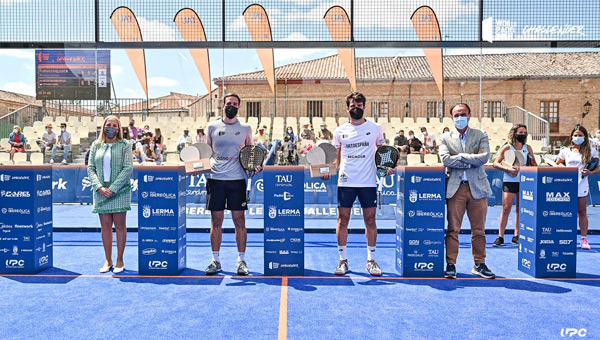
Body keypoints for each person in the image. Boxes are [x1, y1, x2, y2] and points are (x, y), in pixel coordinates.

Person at [322, 92, 392, 276]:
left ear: (364, 107)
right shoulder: (339, 131)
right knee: (342, 220)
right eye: (352, 105)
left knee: (370, 220)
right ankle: (342, 260)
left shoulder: (375, 128)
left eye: (359, 106)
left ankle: (371, 261)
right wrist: (326, 171)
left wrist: (386, 167)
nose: (356, 108)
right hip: (346, 182)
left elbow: (382, 153)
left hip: (368, 182)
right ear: (347, 108)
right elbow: (334, 159)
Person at [439, 103, 495, 279]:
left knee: (478, 230)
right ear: (451, 117)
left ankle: (479, 264)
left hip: (477, 188)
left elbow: (484, 157)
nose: (459, 117)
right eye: (456, 115)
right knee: (453, 229)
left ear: (470, 115)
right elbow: (446, 159)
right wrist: (472, 160)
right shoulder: (445, 137)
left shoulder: (480, 135)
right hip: (455, 189)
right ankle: (450, 264)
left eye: (463, 114)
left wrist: (462, 157)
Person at [204, 93, 258, 276]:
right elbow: (206, 153)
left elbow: (251, 153)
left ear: (239, 107)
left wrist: (255, 166)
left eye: (235, 104)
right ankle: (215, 260)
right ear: (222, 105)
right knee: (216, 221)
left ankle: (241, 260)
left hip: (236, 181)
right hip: (215, 179)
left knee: (239, 221)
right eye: (229, 103)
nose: (231, 106)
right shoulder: (212, 126)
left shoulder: (245, 128)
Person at [87, 115, 133, 274]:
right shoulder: (96, 145)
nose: (111, 128)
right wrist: (99, 187)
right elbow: (90, 168)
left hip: (119, 191)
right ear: (103, 127)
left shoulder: (125, 145)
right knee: (105, 227)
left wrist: (113, 188)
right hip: (100, 192)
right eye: (108, 124)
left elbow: (127, 168)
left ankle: (120, 260)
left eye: (114, 125)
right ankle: (108, 259)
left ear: (119, 129)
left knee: (120, 226)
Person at [492, 124, 537, 247]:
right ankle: (500, 236)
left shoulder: (528, 148)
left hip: (525, 181)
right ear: (514, 133)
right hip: (509, 181)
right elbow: (495, 163)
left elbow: (534, 164)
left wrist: (530, 164)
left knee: (520, 209)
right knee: (506, 208)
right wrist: (507, 168)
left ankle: (516, 236)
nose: (522, 134)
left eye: (524, 132)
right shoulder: (507, 147)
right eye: (520, 132)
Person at [556, 125, 600, 250]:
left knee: (582, 212)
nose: (577, 137)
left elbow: (598, 167)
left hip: (582, 185)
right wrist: (563, 169)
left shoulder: (591, 151)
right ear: (571, 137)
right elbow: (558, 164)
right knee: (567, 212)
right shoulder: (565, 151)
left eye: (580, 135)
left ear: (585, 137)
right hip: (567, 184)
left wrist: (590, 173)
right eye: (575, 135)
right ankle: (564, 237)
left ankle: (583, 239)